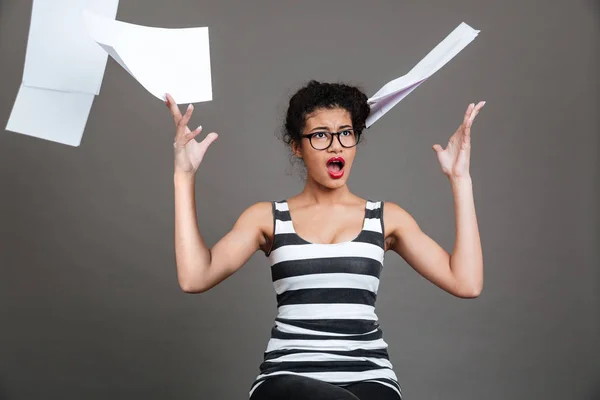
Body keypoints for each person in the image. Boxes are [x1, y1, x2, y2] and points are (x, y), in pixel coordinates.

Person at [165, 81, 485, 400]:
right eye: (320, 135)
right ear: (296, 146)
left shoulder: (386, 217)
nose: (336, 146)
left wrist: (460, 179)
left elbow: (466, 283)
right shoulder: (267, 218)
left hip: (369, 378)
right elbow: (195, 277)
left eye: (346, 133)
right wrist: (184, 175)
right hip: (288, 380)